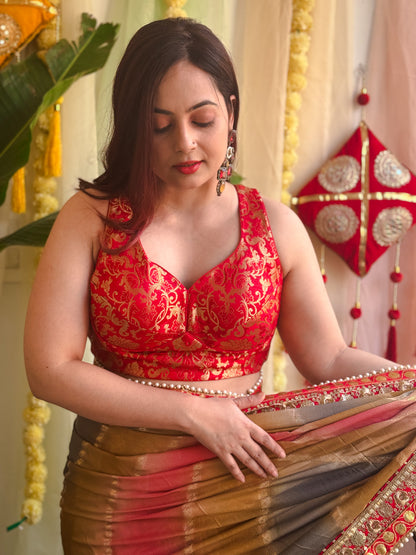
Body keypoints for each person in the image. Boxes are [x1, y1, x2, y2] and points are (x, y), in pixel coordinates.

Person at [24, 17, 416, 555]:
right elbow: (50, 370)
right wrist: (193, 411)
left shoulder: (275, 226)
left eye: (202, 119)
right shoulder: (90, 219)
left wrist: (409, 385)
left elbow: (326, 358)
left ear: (230, 113)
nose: (184, 143)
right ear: (133, 126)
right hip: (119, 493)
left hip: (249, 488)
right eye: (160, 125)